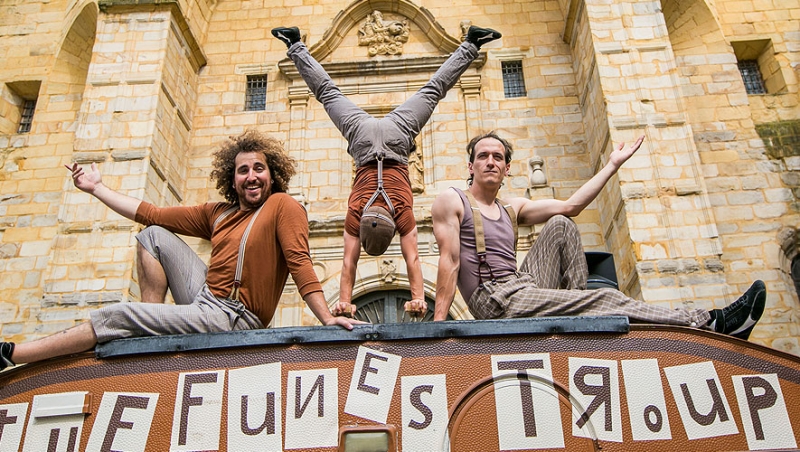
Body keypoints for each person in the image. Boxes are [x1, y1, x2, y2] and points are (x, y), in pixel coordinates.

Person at [0, 130, 361, 371]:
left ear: (272, 174)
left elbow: (300, 263)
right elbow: (149, 213)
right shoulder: (217, 213)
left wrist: (326, 317)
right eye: (242, 170)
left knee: (118, 315)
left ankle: (13, 355)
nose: (251, 176)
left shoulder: (284, 206)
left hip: (233, 318)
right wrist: (97, 188)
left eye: (259, 169)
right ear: (231, 179)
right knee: (154, 234)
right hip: (204, 298)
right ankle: (150, 328)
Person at [430, 131, 766, 340]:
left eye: (498, 157)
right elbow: (449, 260)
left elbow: (573, 205)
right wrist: (438, 328)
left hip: (523, 286)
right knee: (604, 299)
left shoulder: (512, 207)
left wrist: (612, 165)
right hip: (495, 300)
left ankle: (579, 315)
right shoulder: (453, 200)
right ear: (471, 166)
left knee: (561, 224)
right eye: (483, 156)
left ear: (507, 169)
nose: (490, 161)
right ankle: (707, 321)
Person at [271, 24, 502, 318]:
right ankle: (294, 44)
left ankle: (471, 43)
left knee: (434, 90)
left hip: (397, 136)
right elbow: (349, 263)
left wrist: (417, 297)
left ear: (392, 230)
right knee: (327, 92)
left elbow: (412, 258)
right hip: (363, 136)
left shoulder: (401, 213)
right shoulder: (355, 213)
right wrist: (345, 299)